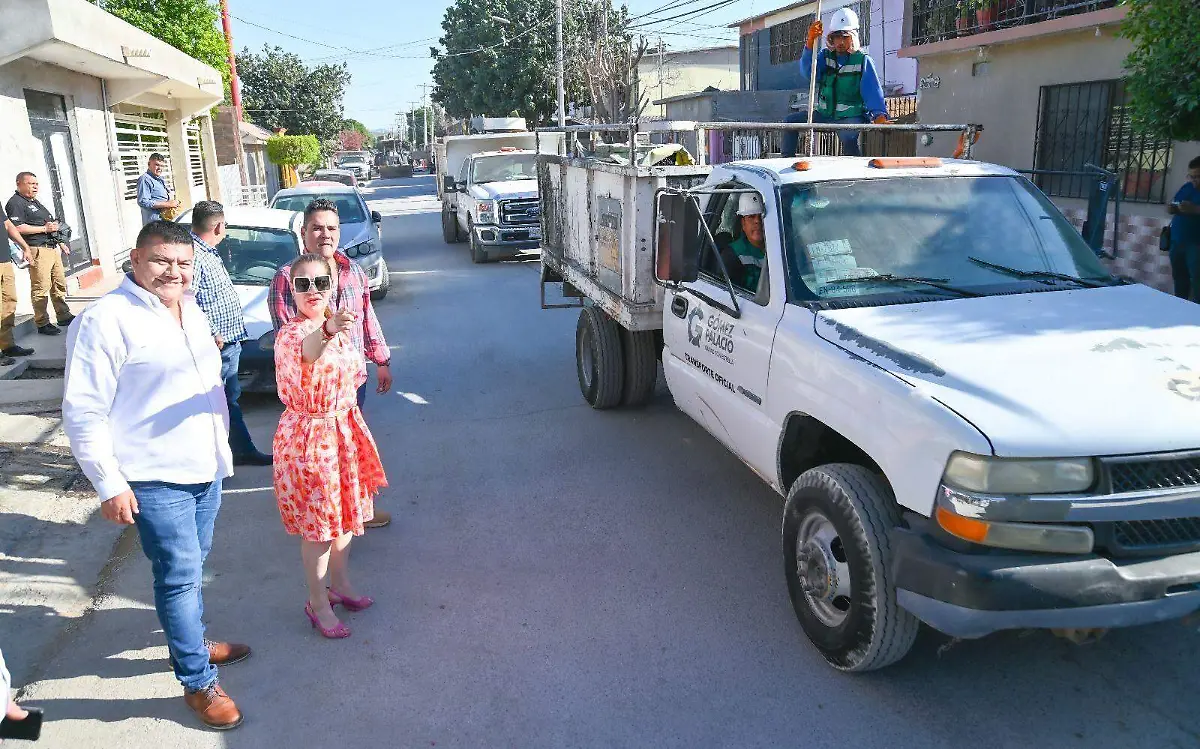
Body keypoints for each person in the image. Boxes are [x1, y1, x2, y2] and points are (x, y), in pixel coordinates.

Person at [62, 220, 249, 731]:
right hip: (152, 475)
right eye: (162, 261)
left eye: (183, 263)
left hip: (205, 467)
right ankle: (197, 679)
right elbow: (83, 410)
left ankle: (192, 639)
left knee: (193, 568)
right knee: (180, 575)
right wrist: (109, 483)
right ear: (136, 260)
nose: (174, 271)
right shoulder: (106, 320)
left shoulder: (188, 309)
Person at [272, 253, 387, 639]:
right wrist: (327, 330)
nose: (312, 291)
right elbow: (308, 352)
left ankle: (340, 585)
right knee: (318, 528)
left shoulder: (335, 328)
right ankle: (317, 602)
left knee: (346, 517)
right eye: (302, 284)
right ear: (292, 289)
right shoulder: (292, 333)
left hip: (343, 431)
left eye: (321, 283)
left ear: (332, 286)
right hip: (310, 439)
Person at [269, 198, 393, 529]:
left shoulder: (353, 271)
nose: (325, 234)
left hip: (351, 379)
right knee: (321, 466)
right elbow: (288, 339)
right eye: (317, 228)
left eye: (332, 228)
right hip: (315, 396)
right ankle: (325, 524)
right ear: (304, 232)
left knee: (350, 450)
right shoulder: (288, 278)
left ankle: (358, 508)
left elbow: (367, 316)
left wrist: (380, 358)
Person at [190, 201, 273, 466]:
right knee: (224, 401)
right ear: (217, 226)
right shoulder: (194, 255)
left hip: (229, 341)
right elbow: (187, 300)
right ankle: (234, 453)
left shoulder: (208, 251)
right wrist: (212, 332)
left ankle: (234, 451)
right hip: (217, 345)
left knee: (228, 400)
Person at [782, 8, 888, 158]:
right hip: (825, 114)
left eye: (845, 37)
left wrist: (879, 116)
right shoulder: (825, 56)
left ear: (853, 37)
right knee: (790, 122)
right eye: (837, 37)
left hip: (851, 116)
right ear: (831, 38)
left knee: (848, 138)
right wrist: (810, 43)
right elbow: (809, 74)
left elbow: (872, 91)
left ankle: (856, 171)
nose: (841, 42)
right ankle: (786, 161)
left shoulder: (863, 61)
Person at [5, 172, 74, 336]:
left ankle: (63, 315)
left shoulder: (35, 202)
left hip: (51, 247)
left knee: (59, 283)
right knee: (41, 287)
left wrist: (61, 243)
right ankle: (42, 323)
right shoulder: (15, 203)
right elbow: (18, 228)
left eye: (36, 184)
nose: (35, 187)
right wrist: (45, 229)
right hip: (37, 249)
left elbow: (49, 224)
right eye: (31, 183)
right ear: (19, 183)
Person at [1, 206, 34, 363]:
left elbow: (7, 224)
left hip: (4, 261)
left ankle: (7, 345)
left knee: (9, 303)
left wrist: (24, 246)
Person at [1167, 156, 1200, 302]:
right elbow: (1175, 203)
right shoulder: (1187, 187)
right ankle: (1180, 310)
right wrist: (1172, 208)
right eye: (1191, 176)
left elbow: (1193, 209)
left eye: (1198, 177)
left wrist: (1195, 209)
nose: (1194, 180)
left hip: (1196, 244)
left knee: (1197, 282)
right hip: (1178, 241)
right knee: (1180, 279)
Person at [724, 192, 767, 292]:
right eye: (751, 216)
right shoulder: (733, 254)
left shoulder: (781, 247)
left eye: (761, 216)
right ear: (743, 224)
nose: (758, 221)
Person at [136, 153, 180, 225]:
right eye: (156, 165)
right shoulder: (145, 179)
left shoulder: (159, 179)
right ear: (149, 164)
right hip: (154, 225)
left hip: (163, 222)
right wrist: (167, 204)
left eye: (162, 166)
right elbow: (143, 202)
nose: (159, 168)